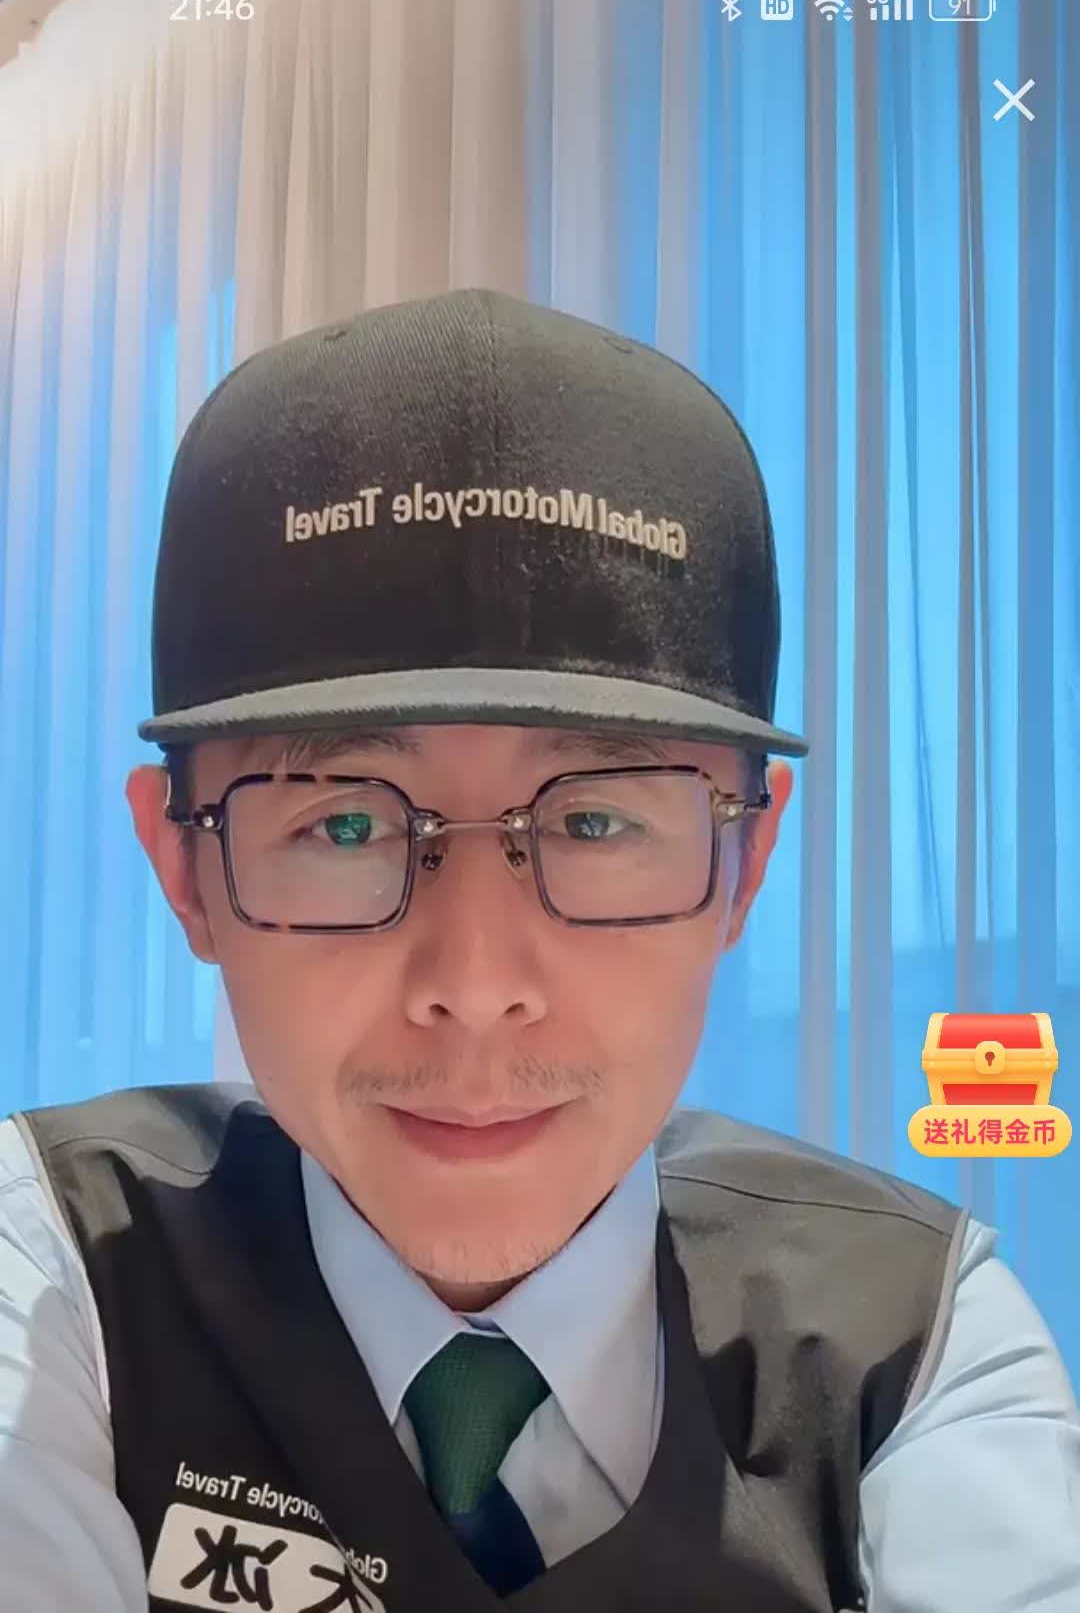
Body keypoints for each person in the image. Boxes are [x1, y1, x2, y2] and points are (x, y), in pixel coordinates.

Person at [0, 289, 1076, 1613]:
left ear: (746, 859)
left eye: (597, 820)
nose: (475, 986)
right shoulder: (65, 1277)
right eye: (344, 823)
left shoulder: (907, 1349)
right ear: (184, 868)